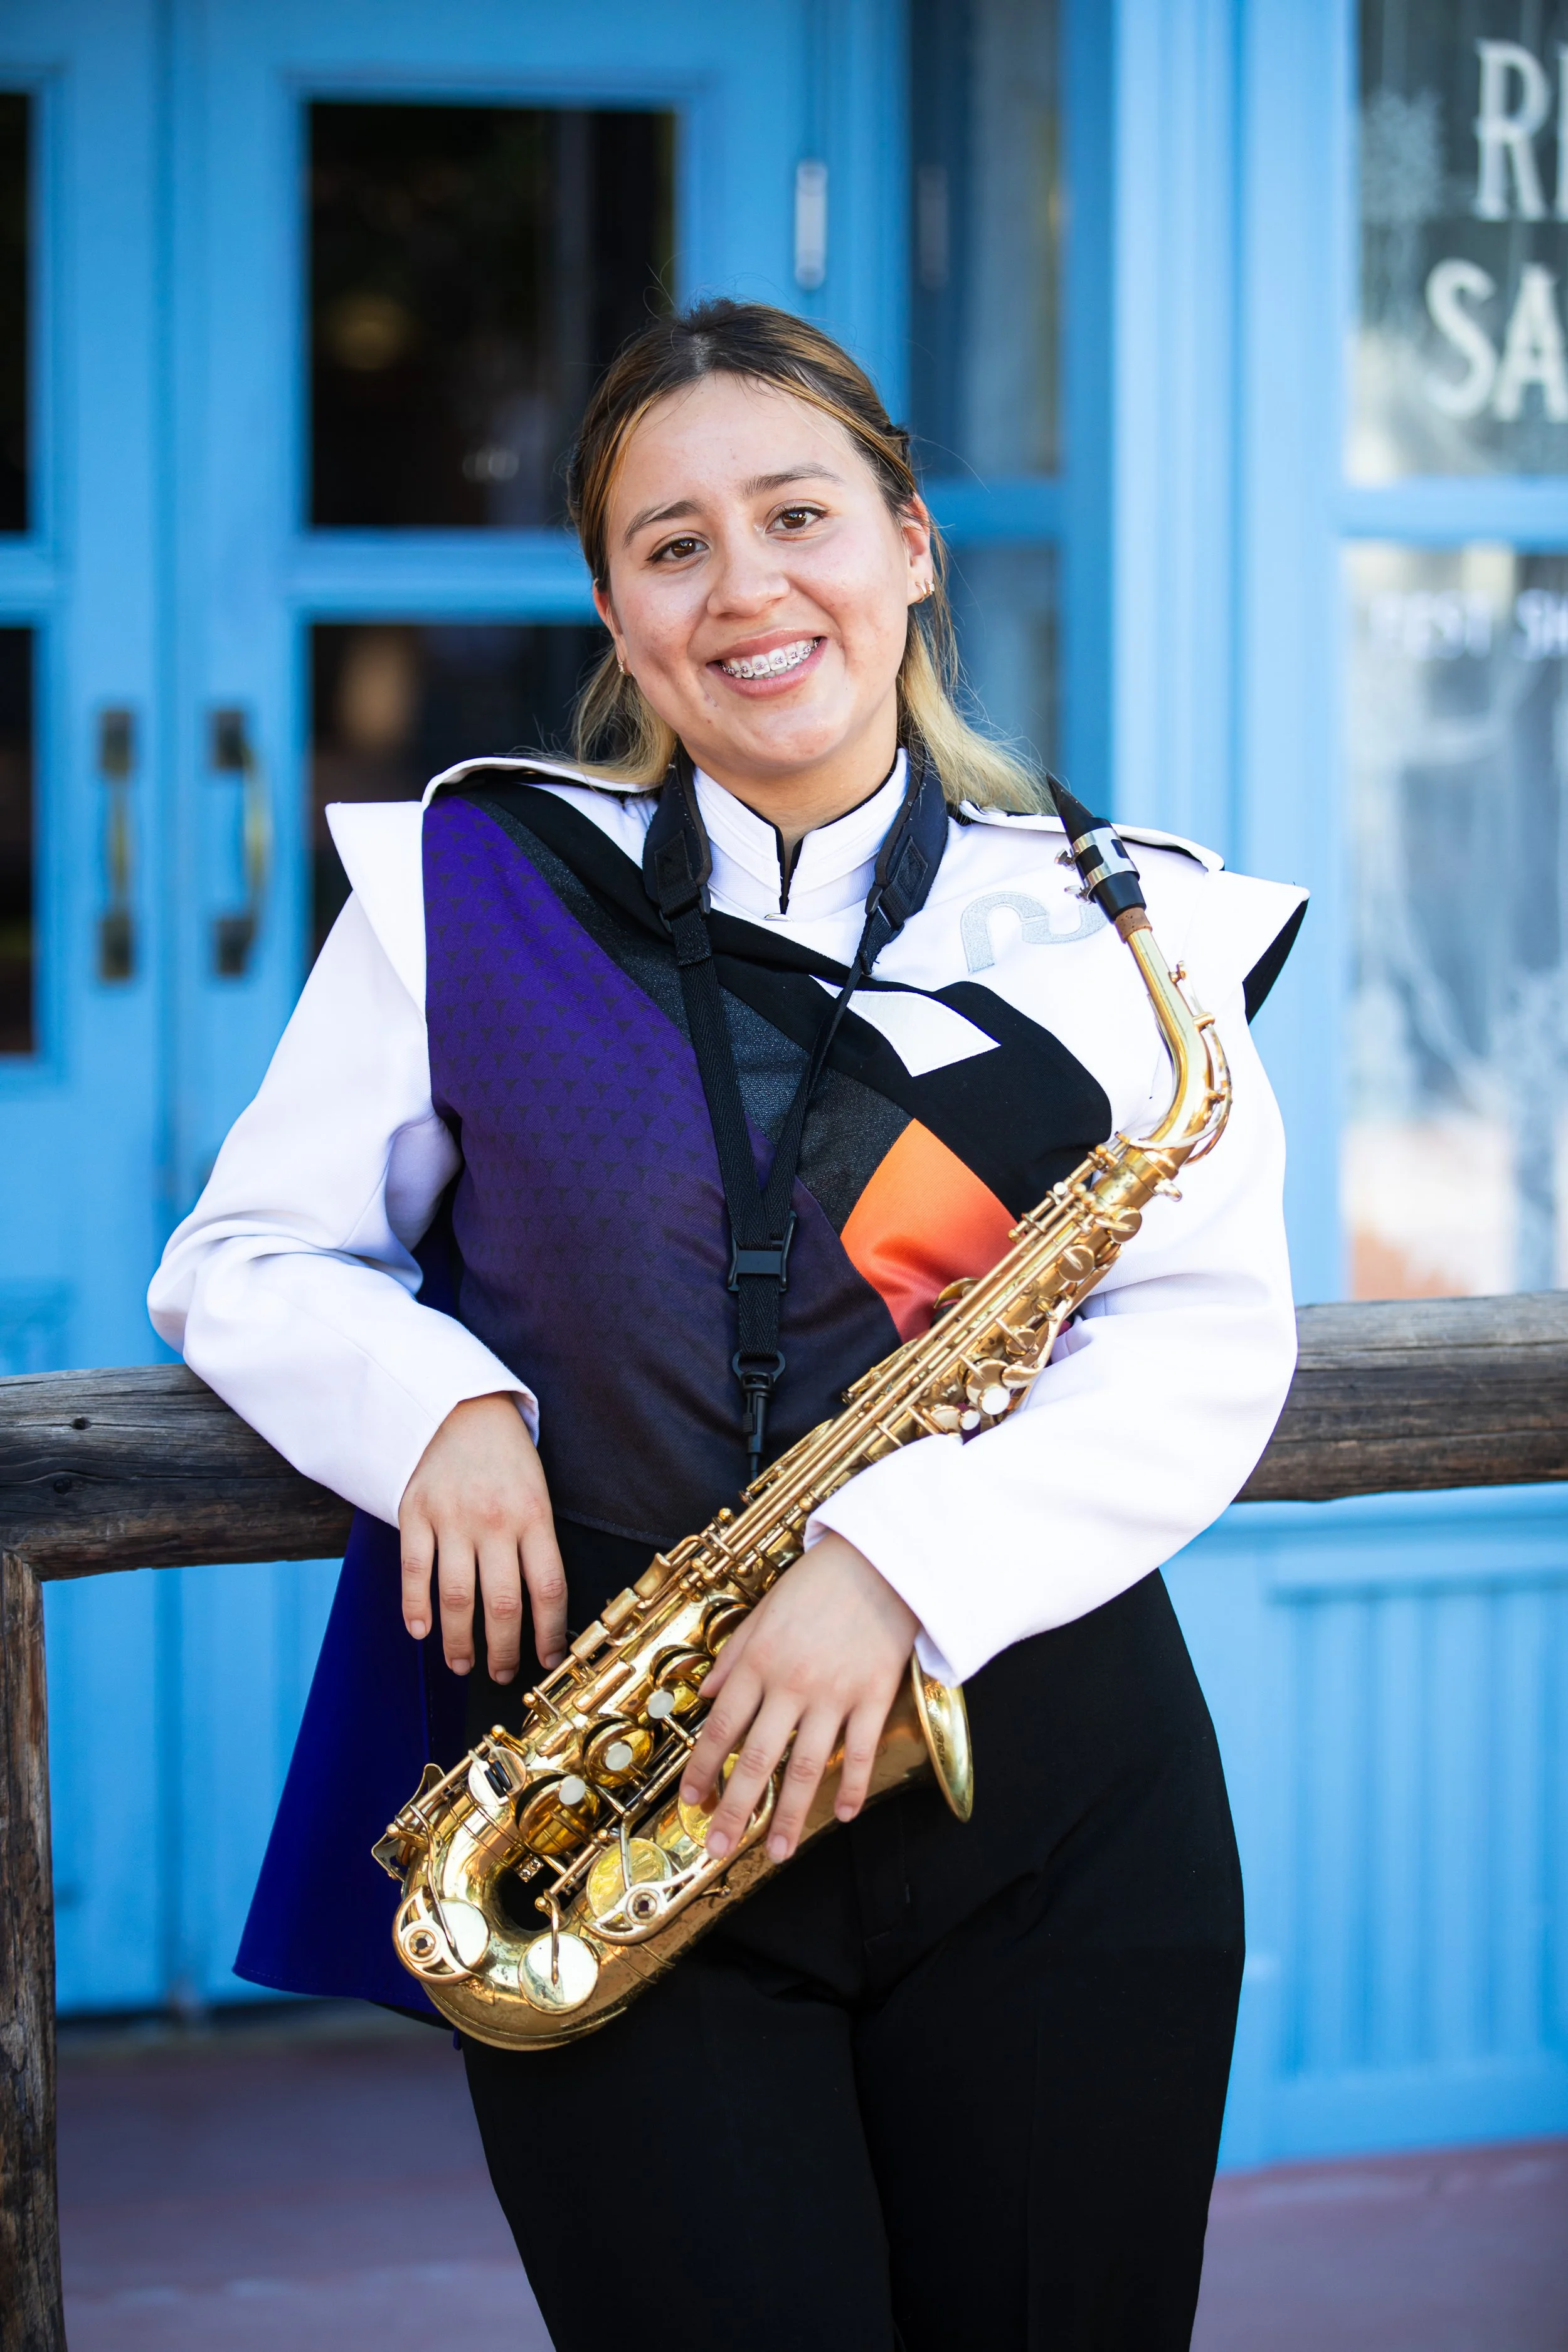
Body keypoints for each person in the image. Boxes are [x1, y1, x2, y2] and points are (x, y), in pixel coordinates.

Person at [150, 299, 1305, 2352]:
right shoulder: (465, 884)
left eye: (799, 516)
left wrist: (895, 1565)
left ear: (912, 544)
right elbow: (249, 1254)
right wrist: (444, 1402)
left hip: (1041, 1786)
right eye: (671, 542)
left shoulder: (1129, 924)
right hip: (619, 1801)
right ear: (612, 601)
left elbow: (1199, 1341)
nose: (748, 588)